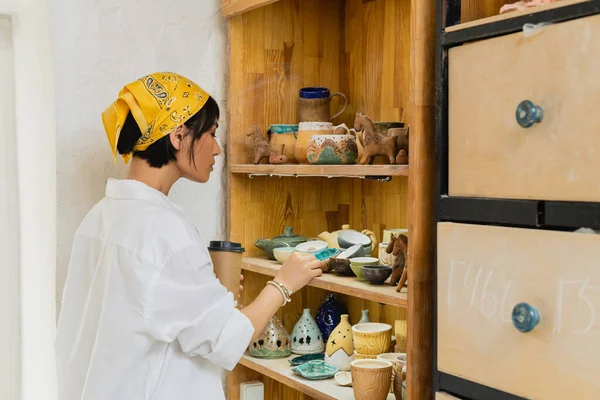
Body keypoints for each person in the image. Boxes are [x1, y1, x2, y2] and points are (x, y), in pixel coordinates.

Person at [55, 72, 323, 400]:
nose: (218, 149)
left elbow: (143, 312)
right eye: (211, 133)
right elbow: (225, 340)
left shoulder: (99, 217)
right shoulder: (166, 231)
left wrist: (205, 291)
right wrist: (284, 284)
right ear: (178, 135)